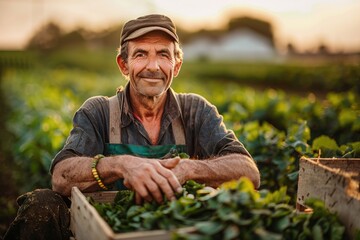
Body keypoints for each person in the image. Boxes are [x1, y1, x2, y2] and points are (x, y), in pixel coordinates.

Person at [4, 14, 260, 240]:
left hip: (174, 229)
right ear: (123, 65)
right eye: (140, 54)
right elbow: (61, 177)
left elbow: (249, 172)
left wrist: (188, 168)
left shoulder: (195, 111)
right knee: (42, 203)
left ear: (176, 66)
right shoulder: (99, 112)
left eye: (163, 54)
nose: (153, 66)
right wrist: (121, 165)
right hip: (109, 229)